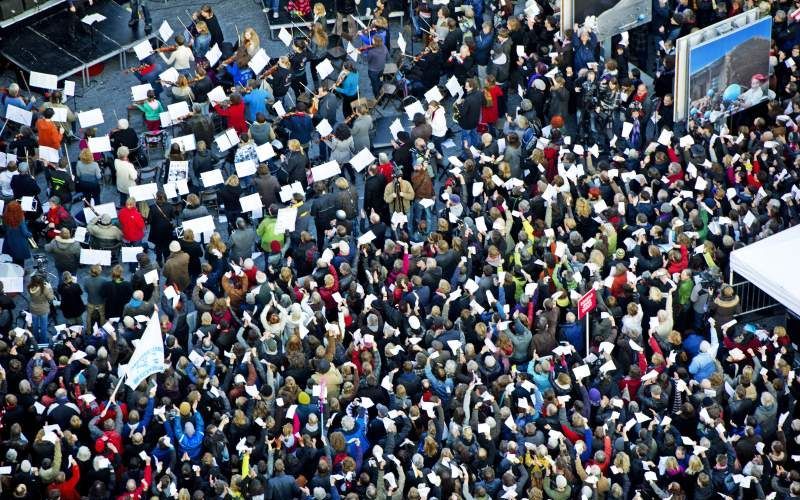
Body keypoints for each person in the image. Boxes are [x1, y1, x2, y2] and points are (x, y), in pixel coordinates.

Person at [2, 201, 31, 266]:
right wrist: (30, 233)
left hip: (10, 242)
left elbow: (4, 229)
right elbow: (25, 233)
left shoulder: (5, 217)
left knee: (14, 259)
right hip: (20, 243)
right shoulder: (20, 218)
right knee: (21, 262)